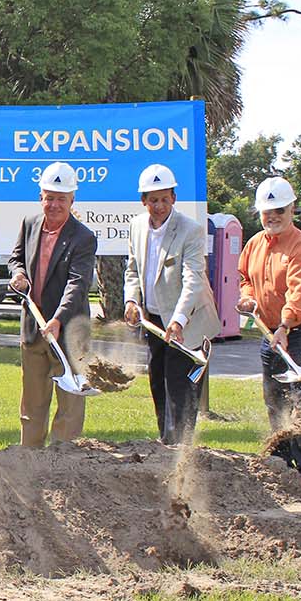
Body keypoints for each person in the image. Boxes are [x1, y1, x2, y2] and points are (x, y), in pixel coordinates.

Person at [236, 177, 301, 483]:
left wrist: (285, 325)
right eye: (267, 211)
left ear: (292, 208)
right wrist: (248, 298)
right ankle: (279, 465)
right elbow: (245, 278)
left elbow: (299, 293)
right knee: (275, 399)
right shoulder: (254, 244)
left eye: (279, 209)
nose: (273, 216)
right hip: (272, 331)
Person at [123, 164, 221, 445]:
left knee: (180, 388)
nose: (159, 206)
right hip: (153, 321)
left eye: (165, 199)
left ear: (174, 198)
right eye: (153, 200)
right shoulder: (137, 226)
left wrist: (178, 319)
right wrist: (132, 300)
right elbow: (132, 269)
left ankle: (180, 450)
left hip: (187, 323)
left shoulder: (190, 231)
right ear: (143, 201)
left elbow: (193, 281)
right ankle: (166, 444)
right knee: (158, 383)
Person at [8, 161, 98, 448]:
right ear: (41, 197)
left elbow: (77, 284)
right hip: (34, 331)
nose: (55, 204)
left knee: (70, 406)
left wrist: (58, 319)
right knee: (32, 404)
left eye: (61, 199)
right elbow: (16, 258)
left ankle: (63, 463)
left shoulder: (83, 238)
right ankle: (30, 460)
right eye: (50, 197)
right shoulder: (29, 224)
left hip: (69, 334)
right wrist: (18, 273)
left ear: (72, 200)